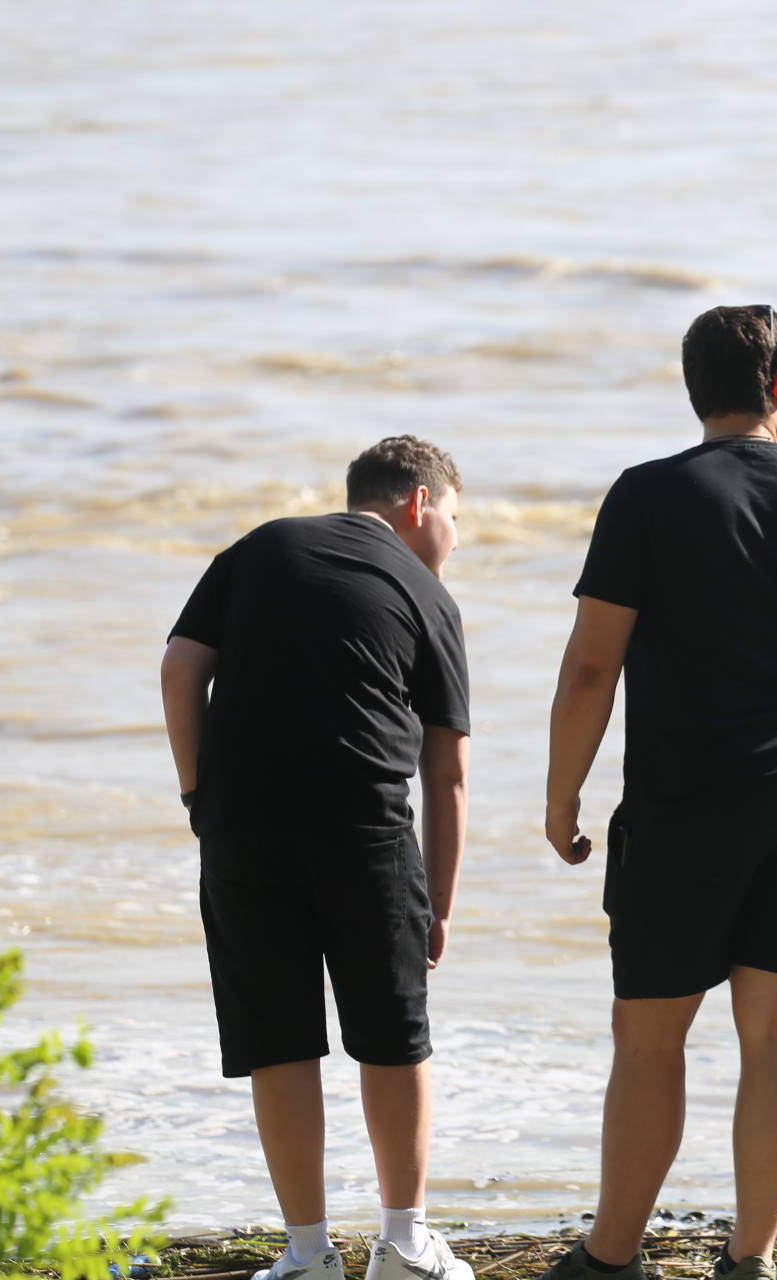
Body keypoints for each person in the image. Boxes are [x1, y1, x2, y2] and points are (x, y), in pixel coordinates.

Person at [542, 305, 777, 1280]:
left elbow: (590, 666)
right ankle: (750, 1259)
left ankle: (610, 1256)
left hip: (687, 788)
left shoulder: (647, 495)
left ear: (694, 388)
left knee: (650, 1033)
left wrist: (560, 795)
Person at [160, 435, 476, 1280]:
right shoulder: (428, 594)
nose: (452, 535)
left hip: (244, 832)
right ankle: (405, 1245)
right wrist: (439, 906)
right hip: (365, 834)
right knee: (394, 1038)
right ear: (418, 504)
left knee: (279, 1042)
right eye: (454, 517)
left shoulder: (260, 546)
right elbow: (446, 770)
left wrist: (201, 800)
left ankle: (306, 1255)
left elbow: (181, 668)